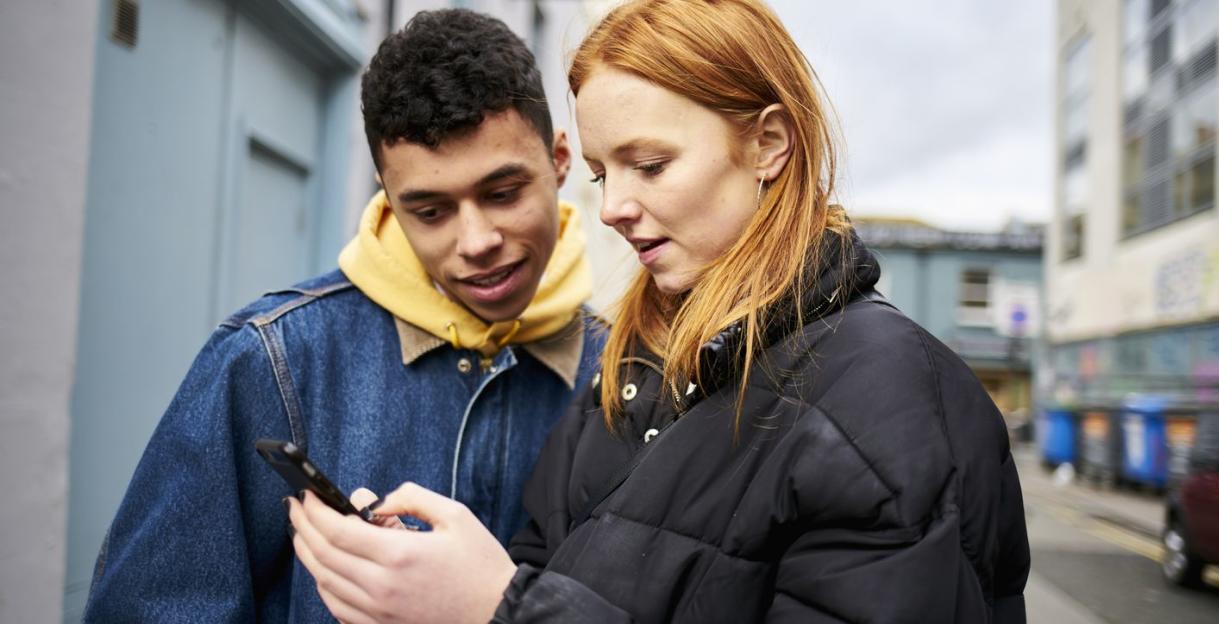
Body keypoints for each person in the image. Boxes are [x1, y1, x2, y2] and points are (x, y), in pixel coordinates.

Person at [287, 0, 1031, 622]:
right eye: (604, 173)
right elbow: (542, 562)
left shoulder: (894, 396)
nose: (611, 208)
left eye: (649, 166)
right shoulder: (636, 360)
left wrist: (497, 607)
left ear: (768, 142)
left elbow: (520, 596)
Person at [83, 9, 605, 622]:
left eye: (503, 192)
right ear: (388, 197)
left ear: (561, 159)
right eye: (430, 211)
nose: (476, 240)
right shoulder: (273, 359)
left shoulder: (627, 368)